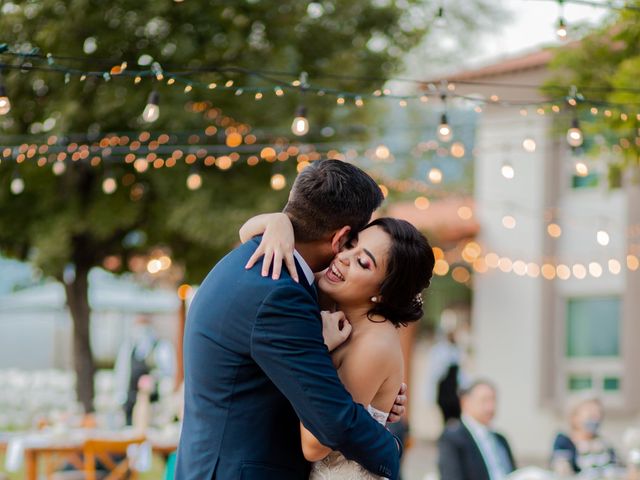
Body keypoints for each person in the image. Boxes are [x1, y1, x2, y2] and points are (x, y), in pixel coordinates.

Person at [175, 160, 409, 480]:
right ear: (340, 238)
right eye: (351, 245)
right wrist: (390, 447)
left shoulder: (249, 262)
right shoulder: (280, 294)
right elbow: (332, 420)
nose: (346, 259)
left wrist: (372, 393)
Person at [243, 214, 435, 479]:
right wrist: (280, 223)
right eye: (350, 244)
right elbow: (247, 238)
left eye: (362, 262)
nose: (344, 257)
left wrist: (318, 349)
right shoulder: (336, 295)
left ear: (384, 292)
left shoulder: (374, 344)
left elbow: (314, 445)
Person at [438, 380, 516, 480]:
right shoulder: (452, 438)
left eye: (493, 400)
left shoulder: (501, 439)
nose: (490, 407)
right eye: (484, 400)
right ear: (465, 402)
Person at [114, 315, 176, 426]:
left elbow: (169, 374)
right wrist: (120, 400)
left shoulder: (161, 348)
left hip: (154, 405)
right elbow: (121, 375)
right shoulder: (128, 348)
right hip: (131, 403)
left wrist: (154, 379)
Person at [551, 397, 617, 475]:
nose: (596, 418)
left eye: (598, 413)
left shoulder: (604, 443)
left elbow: (616, 466)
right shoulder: (564, 441)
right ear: (574, 417)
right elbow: (562, 469)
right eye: (590, 414)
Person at [426, 311, 467, 424]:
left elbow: (462, 375)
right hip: (444, 393)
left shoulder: (457, 350)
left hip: (455, 393)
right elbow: (434, 375)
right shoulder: (438, 351)